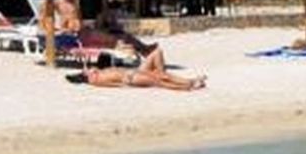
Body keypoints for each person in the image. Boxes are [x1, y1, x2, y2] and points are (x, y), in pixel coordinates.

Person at [66, 49, 206, 90]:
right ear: (84, 75)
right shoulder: (95, 79)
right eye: (88, 69)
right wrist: (124, 84)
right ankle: (187, 85)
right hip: (132, 78)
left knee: (157, 53)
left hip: (133, 72)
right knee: (159, 81)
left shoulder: (96, 73)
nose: (91, 67)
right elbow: (113, 84)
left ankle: (188, 82)